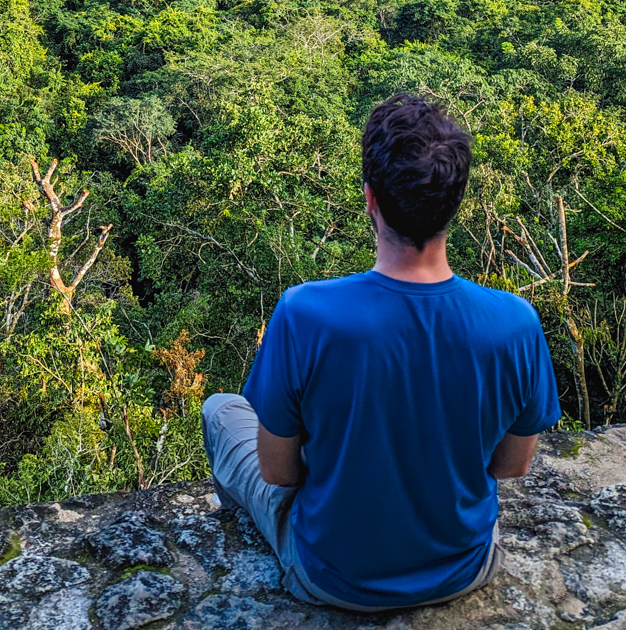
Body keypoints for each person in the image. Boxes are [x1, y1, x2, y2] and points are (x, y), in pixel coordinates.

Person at [201, 94, 561, 612]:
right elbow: (512, 466)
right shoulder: (515, 322)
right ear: (455, 203)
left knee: (220, 409)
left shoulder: (306, 313)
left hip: (333, 576)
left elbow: (279, 473)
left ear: (370, 198)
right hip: (464, 568)